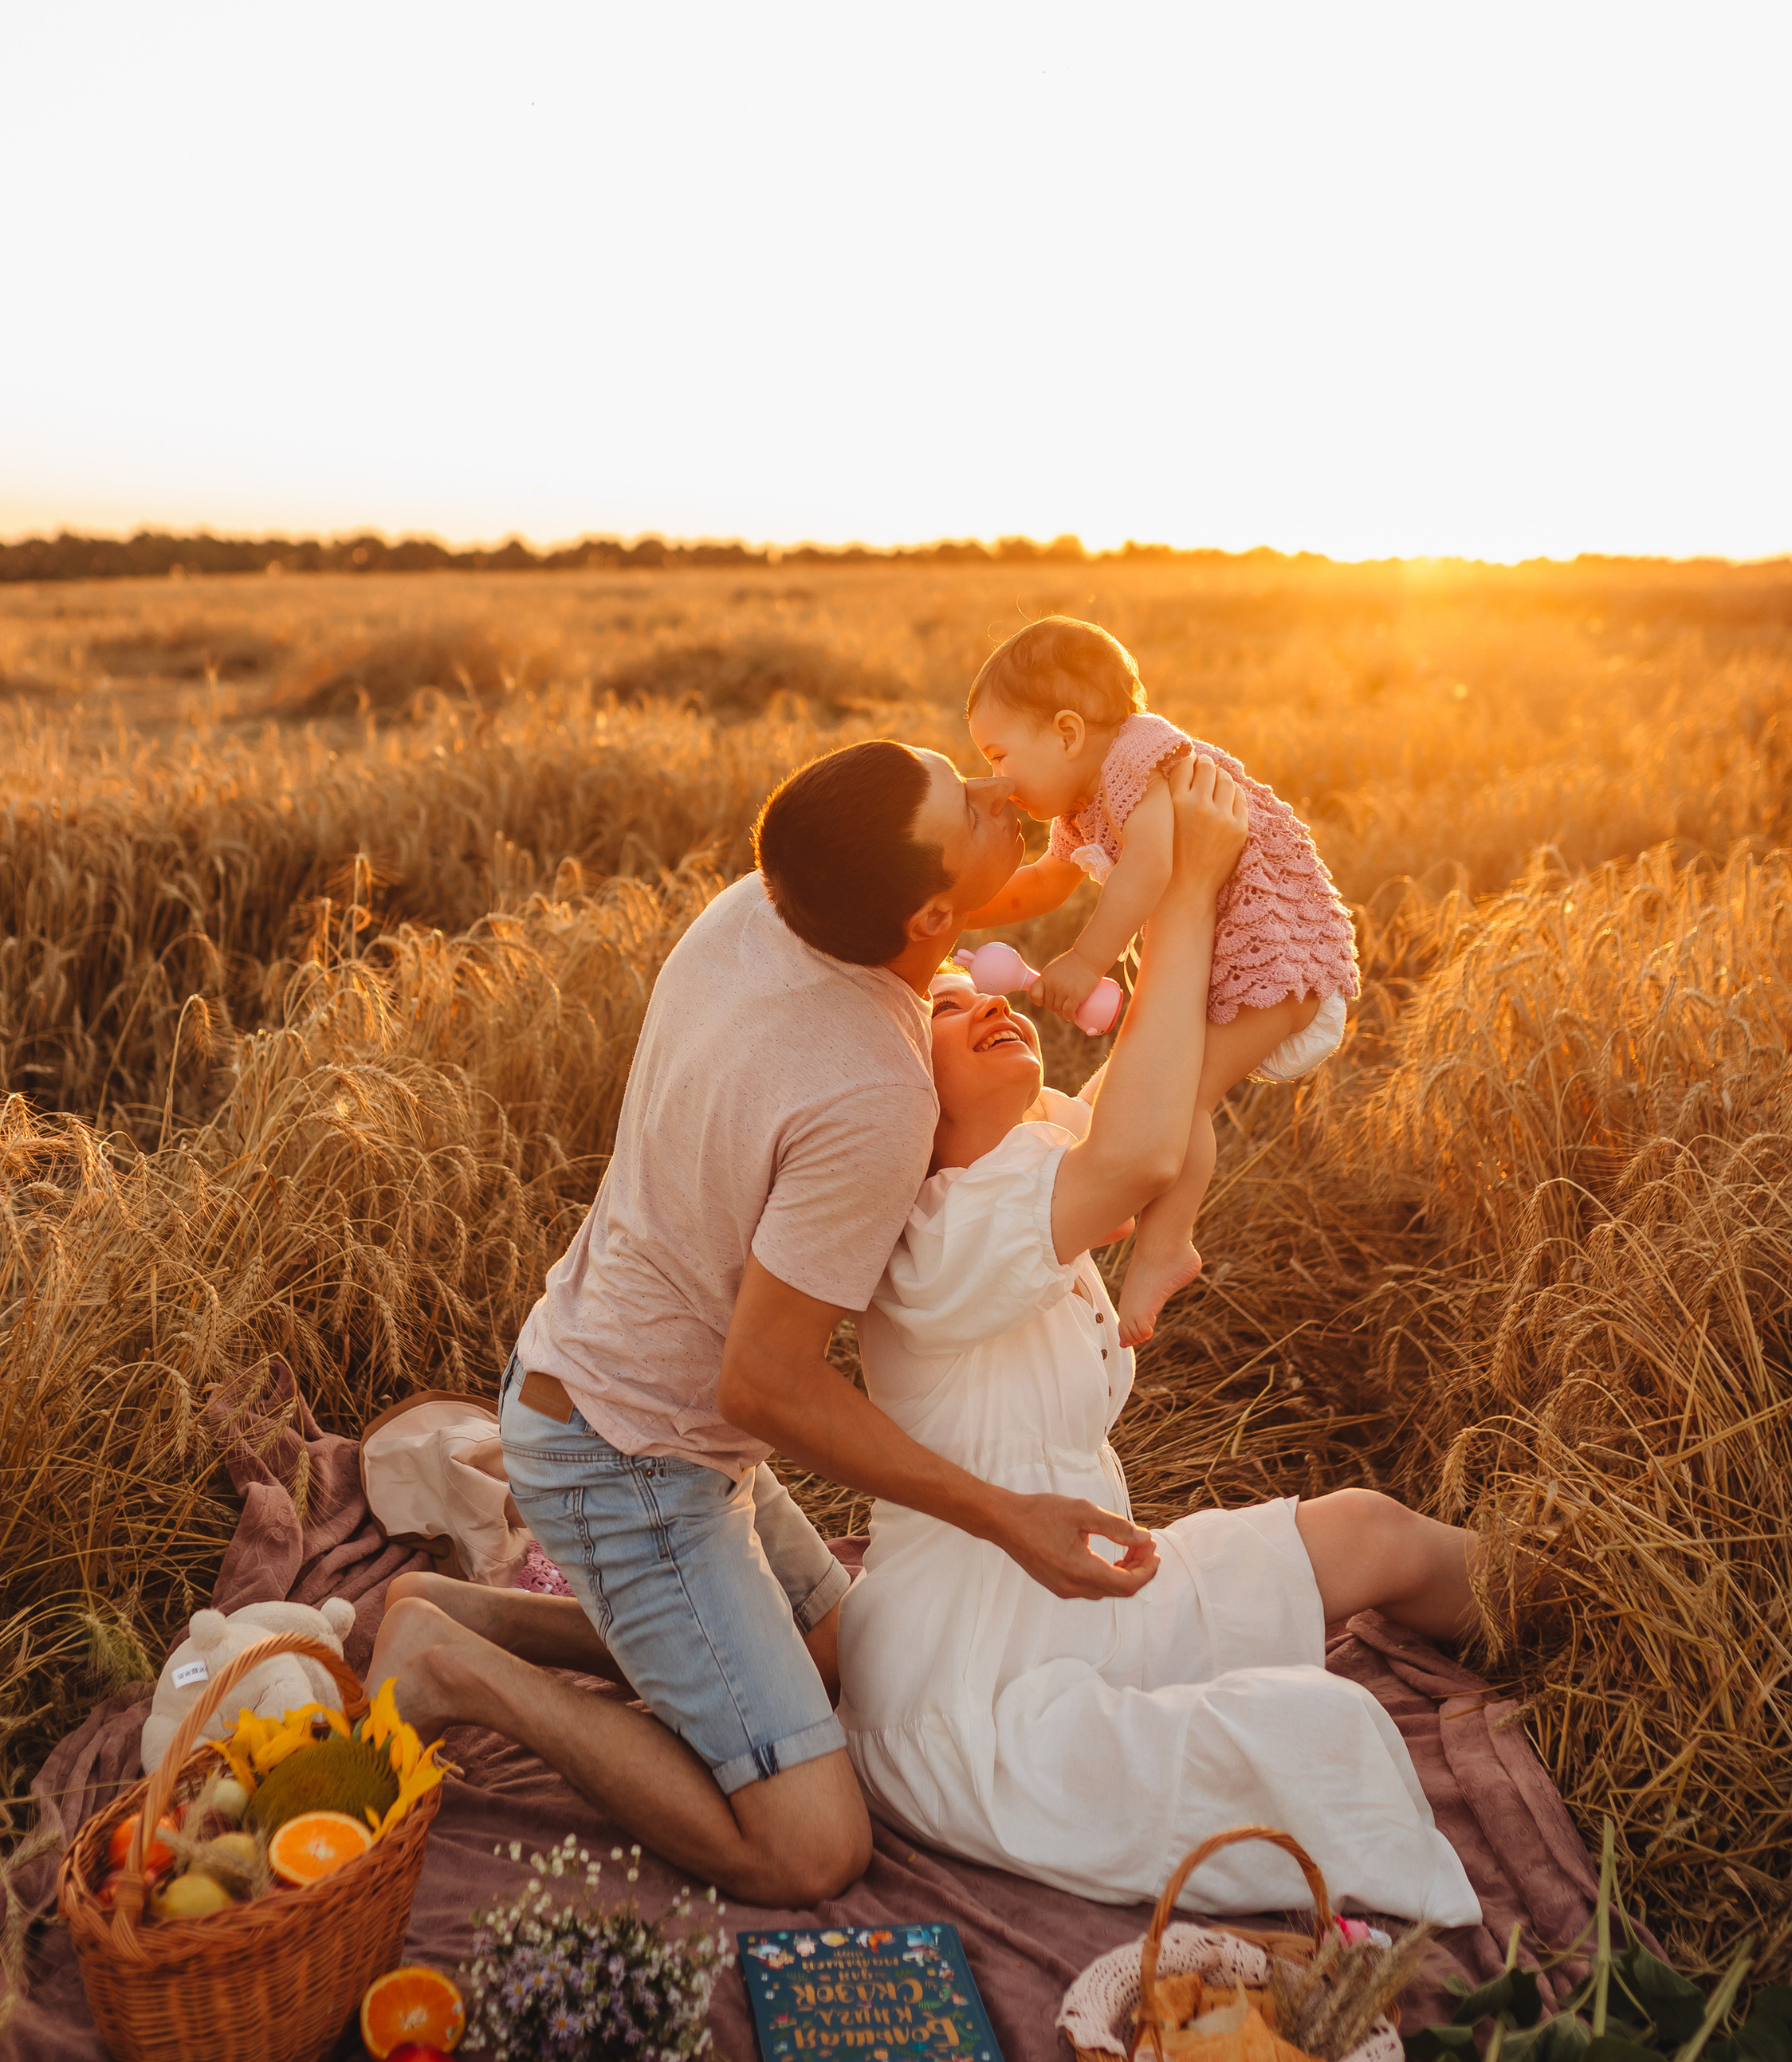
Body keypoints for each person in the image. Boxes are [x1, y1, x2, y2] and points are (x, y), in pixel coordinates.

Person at [368, 735, 1253, 1904]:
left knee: (852, 1662)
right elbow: (764, 1388)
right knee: (811, 1844)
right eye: (980, 810)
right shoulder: (873, 1095)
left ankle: (458, 1612)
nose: (1002, 803)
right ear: (931, 918)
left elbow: (983, 891)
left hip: (599, 1374)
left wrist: (1103, 842)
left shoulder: (772, 903)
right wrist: (1003, 1518)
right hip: (626, 1455)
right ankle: (451, 1670)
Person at [834, 954, 1482, 1922]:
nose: (990, 1004)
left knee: (1367, 1530)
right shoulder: (937, 1235)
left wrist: (1260, 954)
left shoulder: (1023, 1166)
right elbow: (1138, 1152)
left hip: (1088, 1600)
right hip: (978, 1694)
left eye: (986, 991)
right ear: (900, 1085)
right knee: (1326, 1731)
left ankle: (1606, 1605)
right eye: (947, 1009)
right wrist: (1186, 908)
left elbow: (1153, 1092)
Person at [961, 616, 1361, 1345]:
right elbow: (1042, 886)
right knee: (1155, 1090)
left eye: (999, 753)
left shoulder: (1141, 757)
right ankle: (1124, 1209)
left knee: (1184, 1098)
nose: (996, 778)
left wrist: (1086, 962)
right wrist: (956, 902)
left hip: (1279, 956)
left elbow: (1150, 864)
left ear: (1068, 731)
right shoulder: (1083, 803)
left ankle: (1166, 1248)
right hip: (1239, 958)